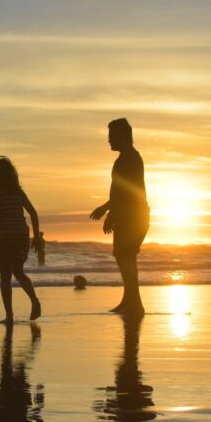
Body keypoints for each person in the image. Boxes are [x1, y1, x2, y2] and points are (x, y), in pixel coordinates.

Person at [90, 118, 150, 315]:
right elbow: (118, 192)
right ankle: (130, 301)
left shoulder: (129, 159)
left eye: (112, 136)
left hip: (133, 216)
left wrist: (110, 213)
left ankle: (135, 304)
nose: (109, 140)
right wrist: (106, 208)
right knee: (126, 257)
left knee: (125, 257)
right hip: (130, 216)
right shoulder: (127, 158)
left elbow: (125, 193)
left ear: (123, 136)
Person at [0, 156, 43, 324]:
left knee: (5, 276)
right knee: (18, 271)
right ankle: (34, 300)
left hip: (4, 235)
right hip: (20, 234)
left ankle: (9, 316)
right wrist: (37, 236)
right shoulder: (18, 191)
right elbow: (33, 213)